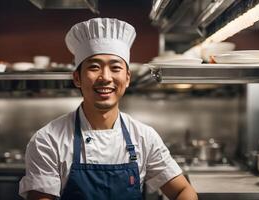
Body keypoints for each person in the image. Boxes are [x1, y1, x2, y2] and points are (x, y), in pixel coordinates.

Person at [19, 18, 198, 200]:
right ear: (77, 78)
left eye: (115, 68)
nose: (105, 77)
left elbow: (182, 191)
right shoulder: (48, 140)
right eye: (94, 67)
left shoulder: (144, 137)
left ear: (127, 78)